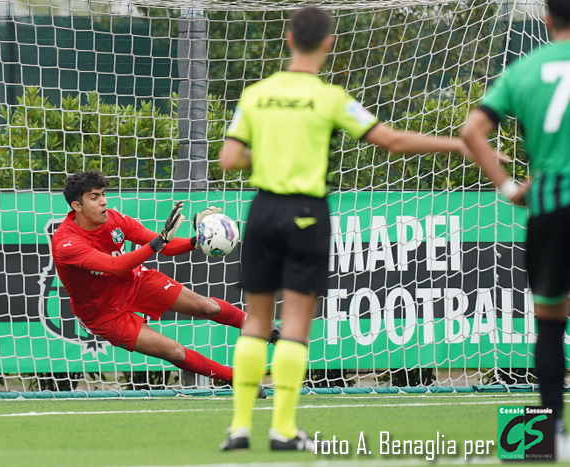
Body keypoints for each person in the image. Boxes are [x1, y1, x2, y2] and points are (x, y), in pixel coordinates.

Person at [219, 6, 480, 451]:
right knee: (295, 322)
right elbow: (391, 141)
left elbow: (229, 159)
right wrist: (458, 144)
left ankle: (239, 428)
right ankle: (283, 430)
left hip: (262, 210)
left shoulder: (257, 94)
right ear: (328, 43)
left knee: (256, 320)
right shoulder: (330, 98)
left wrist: (270, 156)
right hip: (306, 212)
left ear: (288, 39)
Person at [461, 0, 570, 459]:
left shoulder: (523, 70)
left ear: (546, 19)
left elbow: (471, 131)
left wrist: (508, 187)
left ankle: (550, 435)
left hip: (549, 206)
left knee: (550, 324)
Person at [52, 170, 259, 385]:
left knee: (208, 308)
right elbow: (116, 266)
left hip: (136, 283)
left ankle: (267, 330)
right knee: (174, 352)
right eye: (94, 197)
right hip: (103, 313)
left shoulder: (115, 219)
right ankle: (238, 380)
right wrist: (160, 241)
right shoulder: (66, 243)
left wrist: (198, 240)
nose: (103, 201)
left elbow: (166, 247)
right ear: (77, 206)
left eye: (103, 194)